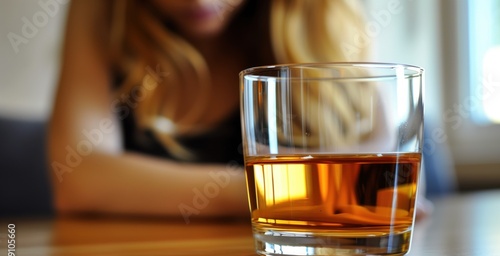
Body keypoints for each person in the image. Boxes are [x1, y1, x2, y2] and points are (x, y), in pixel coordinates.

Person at [48, 0, 370, 219]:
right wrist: (288, 193)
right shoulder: (102, 10)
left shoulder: (323, 17)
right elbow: (77, 179)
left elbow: (387, 159)